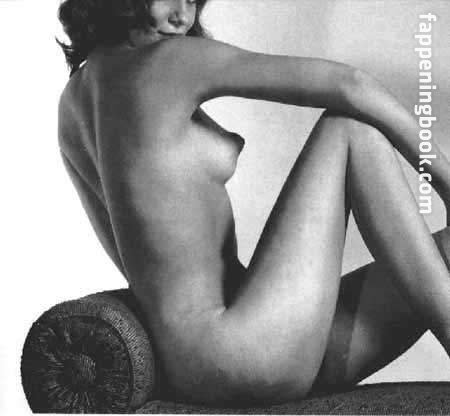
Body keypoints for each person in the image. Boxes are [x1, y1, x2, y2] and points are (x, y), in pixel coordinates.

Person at [57, 0, 450, 407]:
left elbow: (130, 252)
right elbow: (351, 85)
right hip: (246, 353)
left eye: (192, 0)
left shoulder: (71, 105)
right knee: (350, 128)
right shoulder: (167, 61)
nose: (182, 17)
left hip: (219, 362)